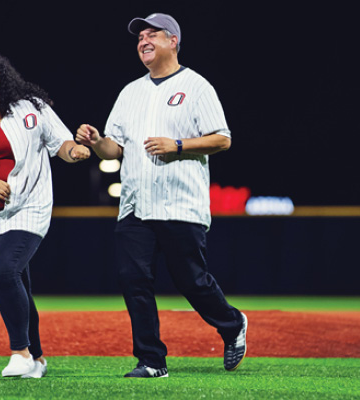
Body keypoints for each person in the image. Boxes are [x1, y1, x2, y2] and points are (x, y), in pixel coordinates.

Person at [76, 13, 247, 378]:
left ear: (173, 41)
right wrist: (97, 142)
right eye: (139, 37)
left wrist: (179, 144)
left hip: (180, 203)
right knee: (132, 279)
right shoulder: (130, 92)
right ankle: (151, 360)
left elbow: (222, 138)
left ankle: (231, 325)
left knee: (192, 282)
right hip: (136, 204)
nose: (143, 41)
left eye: (152, 34)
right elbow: (114, 151)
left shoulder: (197, 86)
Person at [0, 50, 90, 378]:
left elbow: (61, 143)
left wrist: (74, 151)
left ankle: (19, 352)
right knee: (16, 283)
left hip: (29, 207)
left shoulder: (31, 108)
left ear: (0, 79)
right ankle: (37, 359)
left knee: (4, 272)